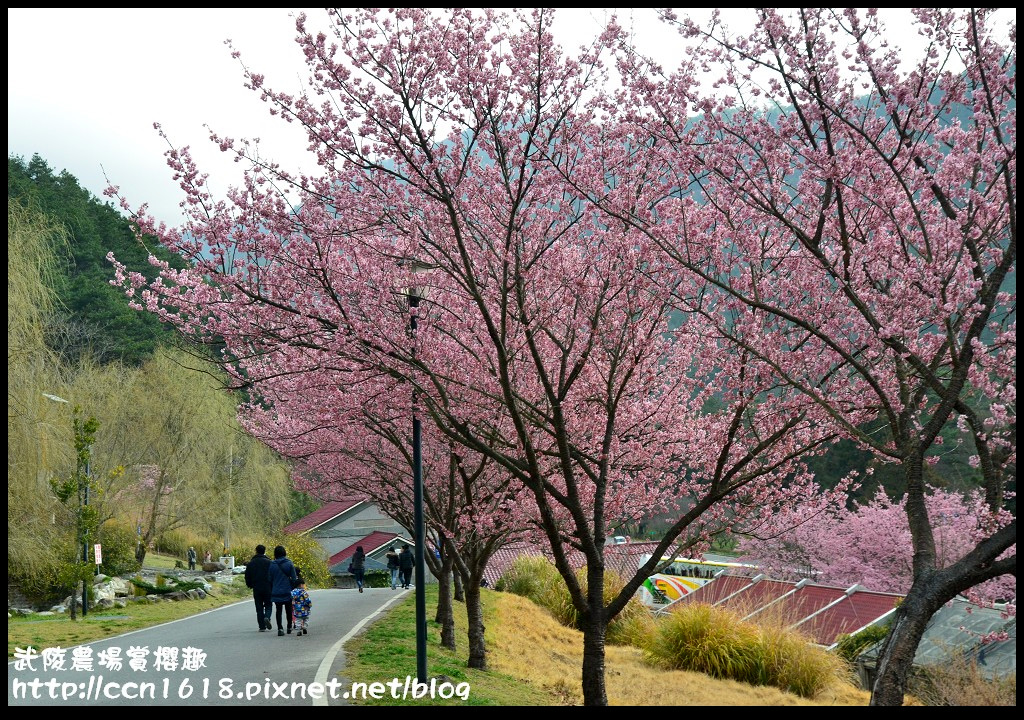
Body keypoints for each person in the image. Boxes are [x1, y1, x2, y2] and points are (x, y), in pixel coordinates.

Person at [267, 545, 298, 635]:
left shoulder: (272, 564)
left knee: (278, 610)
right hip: (287, 590)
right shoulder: (289, 563)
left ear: (275, 553)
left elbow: (269, 579)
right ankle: (289, 627)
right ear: (284, 553)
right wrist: (292, 587)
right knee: (288, 610)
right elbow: (294, 578)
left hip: (276, 591)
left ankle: (280, 628)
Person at [244, 544, 273, 632]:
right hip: (268, 587)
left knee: (259, 607)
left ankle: (262, 626)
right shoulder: (269, 562)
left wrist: (250, 585)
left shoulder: (251, 563)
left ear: (256, 551)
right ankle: (267, 617)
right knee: (268, 604)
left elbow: (247, 576)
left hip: (256, 587)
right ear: (264, 551)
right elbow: (272, 575)